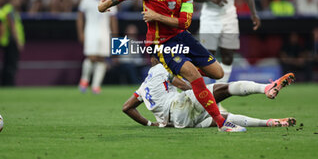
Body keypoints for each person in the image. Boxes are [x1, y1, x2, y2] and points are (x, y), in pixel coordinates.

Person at [98, 0, 243, 132]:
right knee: (195, 78)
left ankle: (175, 69)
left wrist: (156, 16)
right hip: (160, 43)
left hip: (182, 36)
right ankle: (221, 123)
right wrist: (107, 3)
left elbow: (185, 22)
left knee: (218, 73)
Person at [122, 57, 296, 129]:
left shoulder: (143, 87)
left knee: (224, 118)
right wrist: (198, 92)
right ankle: (265, 88)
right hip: (180, 106)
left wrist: (150, 124)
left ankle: (268, 123)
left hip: (178, 122)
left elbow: (127, 107)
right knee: (226, 88)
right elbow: (183, 85)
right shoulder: (161, 67)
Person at [77, 0, 118, 94]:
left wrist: (114, 36)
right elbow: (80, 17)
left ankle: (96, 85)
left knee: (102, 58)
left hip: (104, 32)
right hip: (90, 31)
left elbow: (113, 20)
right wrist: (80, 32)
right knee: (92, 57)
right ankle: (84, 80)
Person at [0, 0, 25, 86]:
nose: (20, 1)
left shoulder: (9, 9)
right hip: (11, 41)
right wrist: (18, 41)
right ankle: (9, 84)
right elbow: (12, 27)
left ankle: (6, 83)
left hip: (8, 40)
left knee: (8, 63)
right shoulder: (9, 10)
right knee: (11, 64)